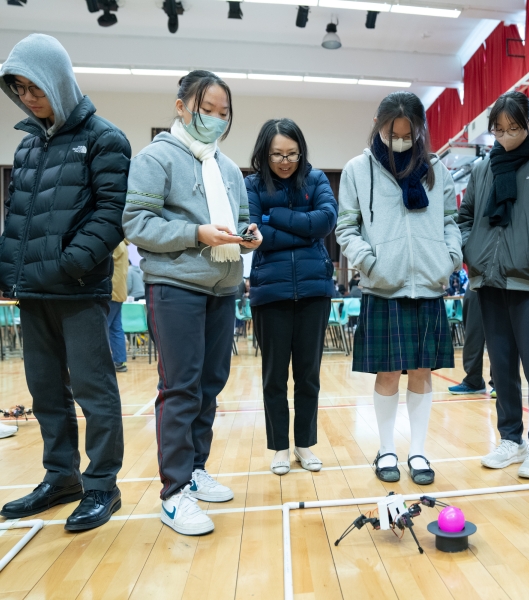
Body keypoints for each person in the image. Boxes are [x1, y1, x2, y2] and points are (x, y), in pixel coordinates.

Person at [123, 70, 262, 535]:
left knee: (209, 385)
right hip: (175, 286)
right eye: (207, 109)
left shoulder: (228, 170)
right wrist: (195, 233)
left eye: (224, 112)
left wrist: (249, 237)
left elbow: (242, 222)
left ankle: (196, 469)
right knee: (180, 388)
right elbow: (137, 224)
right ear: (182, 106)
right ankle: (173, 492)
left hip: (222, 289)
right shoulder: (155, 158)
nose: (216, 119)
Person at [0, 34, 129, 531]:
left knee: (94, 392)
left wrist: (70, 264)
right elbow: (17, 218)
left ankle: (102, 486)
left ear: (58, 81)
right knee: (45, 392)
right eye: (19, 89)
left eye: (36, 88)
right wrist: (8, 269)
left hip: (78, 290)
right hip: (33, 293)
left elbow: (111, 214)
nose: (29, 98)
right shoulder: (27, 147)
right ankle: (61, 478)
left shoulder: (105, 138)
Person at [336, 91, 462, 485]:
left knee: (422, 371)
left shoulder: (436, 169)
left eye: (409, 134)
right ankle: (387, 448)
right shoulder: (358, 170)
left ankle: (418, 451)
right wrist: (371, 262)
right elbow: (346, 228)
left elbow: (451, 222)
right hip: (383, 286)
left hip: (428, 284)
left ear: (420, 130)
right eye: (394, 133)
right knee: (388, 372)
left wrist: (449, 258)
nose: (402, 140)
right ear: (378, 124)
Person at [457, 91, 529, 479]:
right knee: (501, 367)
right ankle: (511, 438)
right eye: (499, 130)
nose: (505, 137)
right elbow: (464, 217)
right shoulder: (482, 169)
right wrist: (471, 250)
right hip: (488, 281)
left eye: (513, 129)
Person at [246, 118, 337, 476]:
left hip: (314, 290)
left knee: (308, 375)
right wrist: (304, 230)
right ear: (264, 153)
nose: (285, 162)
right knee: (274, 377)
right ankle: (280, 447)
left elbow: (325, 222)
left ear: (301, 152)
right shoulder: (251, 185)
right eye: (277, 154)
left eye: (292, 154)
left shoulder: (316, 179)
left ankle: (304, 444)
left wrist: (277, 217)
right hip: (271, 292)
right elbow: (254, 235)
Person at [447, 285, 494, 396]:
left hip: (500, 281)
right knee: (472, 332)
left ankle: (501, 384)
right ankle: (473, 381)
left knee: (500, 332)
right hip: (476, 280)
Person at [108, 241, 128, 372]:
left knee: (103, 328)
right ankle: (119, 361)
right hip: (119, 292)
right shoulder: (123, 245)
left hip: (111, 292)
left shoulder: (115, 243)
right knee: (116, 328)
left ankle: (101, 362)